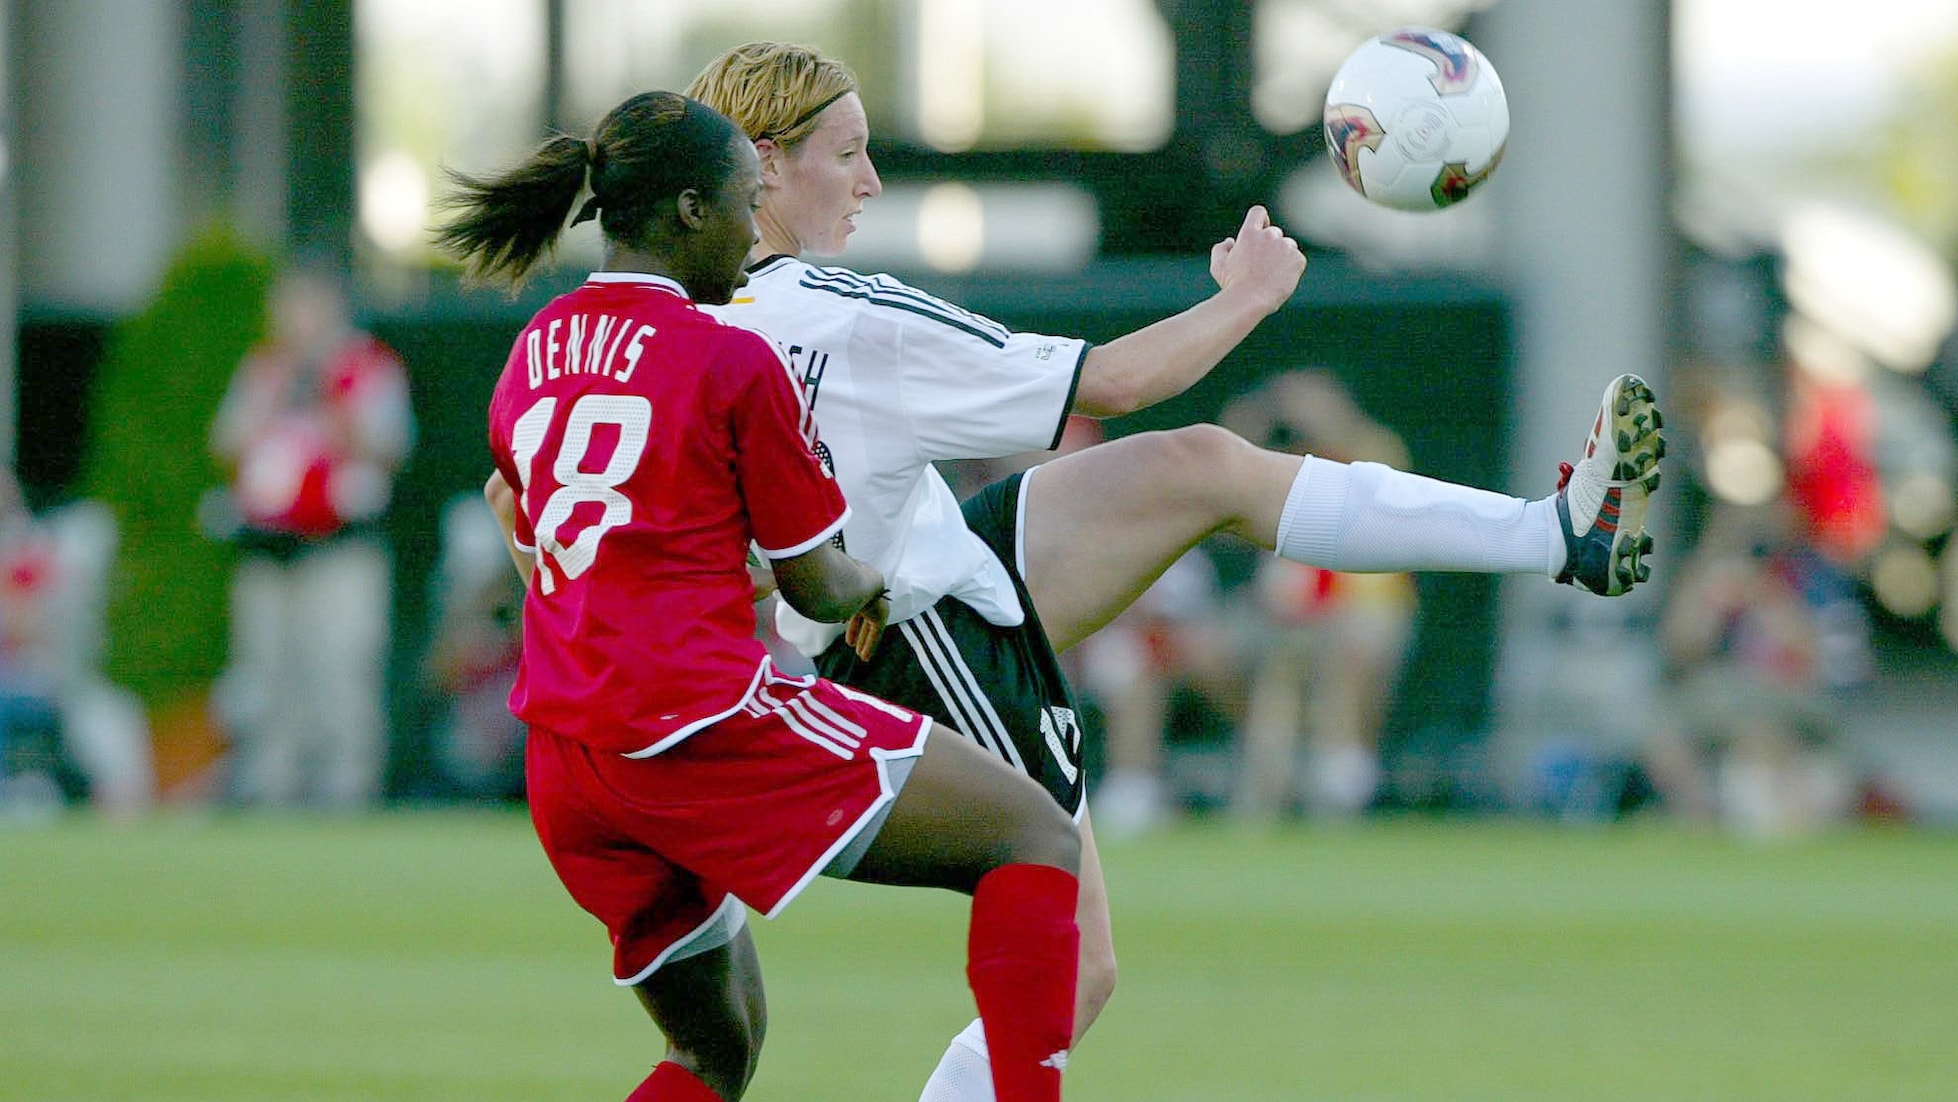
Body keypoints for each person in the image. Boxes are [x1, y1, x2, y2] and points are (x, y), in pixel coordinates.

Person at [680, 41, 1664, 1100]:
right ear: (767, 166)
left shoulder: (662, 322)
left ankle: (1561, 534)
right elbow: (1112, 377)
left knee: (1207, 465)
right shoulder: (844, 314)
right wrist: (1246, 296)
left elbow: (535, 504)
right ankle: (1559, 536)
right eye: (849, 153)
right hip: (910, 643)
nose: (870, 180)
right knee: (1076, 970)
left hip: (888, 598)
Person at [439, 91, 1085, 1102]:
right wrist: (881, 575)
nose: (755, 234)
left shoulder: (535, 352)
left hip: (570, 754)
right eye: (746, 202)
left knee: (713, 1048)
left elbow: (513, 508)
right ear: (690, 210)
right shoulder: (730, 357)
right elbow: (822, 588)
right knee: (1035, 833)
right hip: (695, 723)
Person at [208, 264, 414, 809]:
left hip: (339, 545)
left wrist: (329, 390)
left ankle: (348, 786)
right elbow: (228, 445)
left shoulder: (365, 368)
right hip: (270, 546)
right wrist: (276, 392)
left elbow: (388, 450)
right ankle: (272, 785)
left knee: (341, 666)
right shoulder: (264, 369)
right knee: (269, 669)